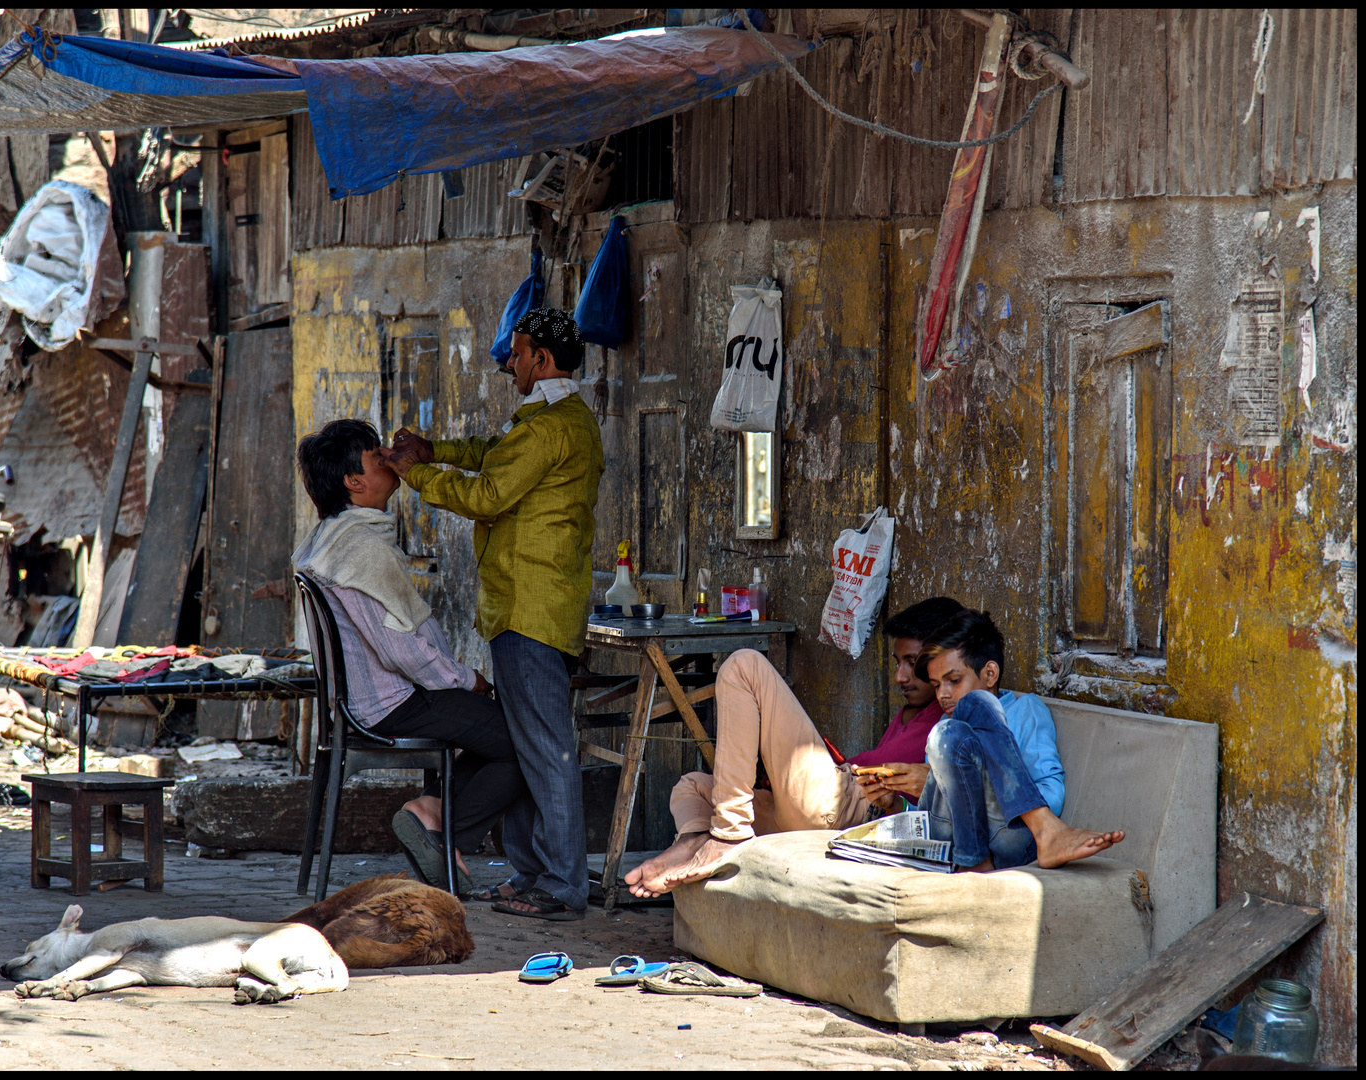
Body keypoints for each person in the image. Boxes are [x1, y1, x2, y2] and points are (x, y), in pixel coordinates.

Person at [383, 309, 604, 921]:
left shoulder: (550, 428)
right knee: (532, 749)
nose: (508, 361)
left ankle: (561, 884)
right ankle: (534, 872)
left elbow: (487, 494)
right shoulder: (550, 421)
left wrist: (418, 472)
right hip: (526, 605)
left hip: (531, 608)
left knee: (550, 752)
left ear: (541, 360)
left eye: (518, 352)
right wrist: (438, 451)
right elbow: (492, 455)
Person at [292, 418, 525, 895]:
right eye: (376, 456)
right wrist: (467, 679)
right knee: (525, 740)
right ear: (354, 482)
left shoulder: (331, 537)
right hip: (391, 703)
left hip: (365, 701)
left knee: (499, 729)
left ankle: (433, 810)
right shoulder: (361, 549)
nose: (388, 458)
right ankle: (445, 829)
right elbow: (400, 651)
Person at [625, 596, 967, 898]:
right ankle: (693, 842)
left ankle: (729, 833)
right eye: (897, 663)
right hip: (821, 801)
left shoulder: (956, 710)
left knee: (743, 665)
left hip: (846, 805)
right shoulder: (912, 711)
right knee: (692, 786)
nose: (900, 677)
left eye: (913, 663)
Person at [912, 608, 1124, 871]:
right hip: (950, 842)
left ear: (990, 673)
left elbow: (1053, 794)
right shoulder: (942, 729)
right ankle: (980, 858)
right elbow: (934, 813)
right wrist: (892, 803)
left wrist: (986, 783)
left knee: (974, 706)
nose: (942, 694)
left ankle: (1042, 831)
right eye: (935, 685)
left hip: (1007, 835)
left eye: (953, 680)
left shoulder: (1026, 711)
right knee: (948, 734)